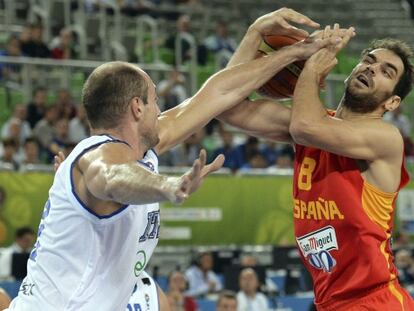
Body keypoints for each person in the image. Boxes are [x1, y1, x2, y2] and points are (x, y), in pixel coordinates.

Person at [7, 9, 332, 310]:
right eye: (154, 101)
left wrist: (256, 35)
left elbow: (215, 95)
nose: (160, 109)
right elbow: (112, 177)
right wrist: (168, 185)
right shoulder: (98, 154)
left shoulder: (144, 148)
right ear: (137, 108)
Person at [217, 19, 414, 310]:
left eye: (387, 71)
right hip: (330, 302)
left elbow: (305, 126)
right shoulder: (313, 124)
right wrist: (254, 34)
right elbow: (227, 105)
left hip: (375, 300)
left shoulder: (385, 138)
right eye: (368, 61)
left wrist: (312, 61)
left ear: (393, 102)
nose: (372, 68)